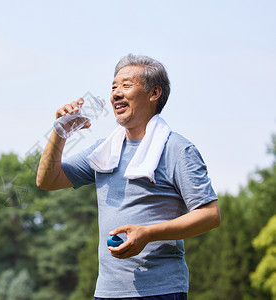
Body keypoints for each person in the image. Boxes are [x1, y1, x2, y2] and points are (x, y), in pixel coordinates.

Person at [36, 54, 221, 300]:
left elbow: (210, 215)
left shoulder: (177, 149)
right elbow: (47, 180)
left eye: (126, 85)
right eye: (113, 87)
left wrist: (148, 233)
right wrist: (60, 131)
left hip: (161, 291)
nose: (116, 93)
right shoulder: (103, 152)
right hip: (107, 292)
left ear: (154, 93)